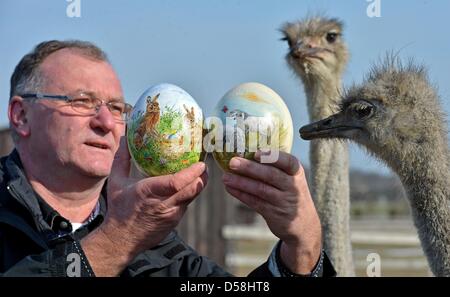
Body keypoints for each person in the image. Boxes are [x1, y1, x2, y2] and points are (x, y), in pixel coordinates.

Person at [0, 40, 336, 277]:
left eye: (117, 108)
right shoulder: (133, 230)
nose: (105, 122)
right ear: (21, 115)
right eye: (81, 101)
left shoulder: (154, 245)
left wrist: (302, 251)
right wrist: (118, 241)